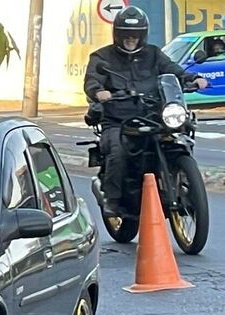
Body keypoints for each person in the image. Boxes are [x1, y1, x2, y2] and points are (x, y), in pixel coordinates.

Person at [83, 6, 208, 216]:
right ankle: (112, 200)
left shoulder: (153, 54)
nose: (131, 39)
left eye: (136, 35)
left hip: (153, 114)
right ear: (117, 34)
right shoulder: (102, 57)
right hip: (117, 118)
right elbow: (92, 80)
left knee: (181, 132)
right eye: (126, 34)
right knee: (118, 151)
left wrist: (192, 79)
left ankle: (182, 184)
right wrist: (98, 91)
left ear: (143, 35)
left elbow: (172, 69)